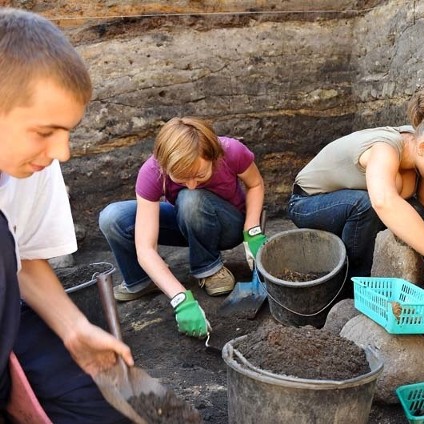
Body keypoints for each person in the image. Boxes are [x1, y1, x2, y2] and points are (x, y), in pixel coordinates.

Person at [0, 8, 133, 423]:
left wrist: (73, 327)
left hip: (10, 319)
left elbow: (23, 257)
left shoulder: (33, 165)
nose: (62, 153)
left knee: (113, 409)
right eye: (44, 132)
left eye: (68, 132)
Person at [288, 88, 424, 281]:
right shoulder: (385, 149)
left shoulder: (423, 146)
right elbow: (383, 202)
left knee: (418, 212)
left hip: (349, 206)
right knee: (365, 204)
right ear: (423, 147)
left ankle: (411, 272)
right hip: (307, 203)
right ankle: (354, 281)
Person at [99, 116, 267, 338]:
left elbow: (255, 184)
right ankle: (142, 280)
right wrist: (180, 299)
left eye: (200, 175)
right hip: (186, 220)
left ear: (213, 156)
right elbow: (145, 247)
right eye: (180, 178)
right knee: (113, 217)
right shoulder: (152, 171)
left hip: (228, 225)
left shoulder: (230, 150)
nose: (192, 183)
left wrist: (252, 229)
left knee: (191, 198)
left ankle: (208, 268)